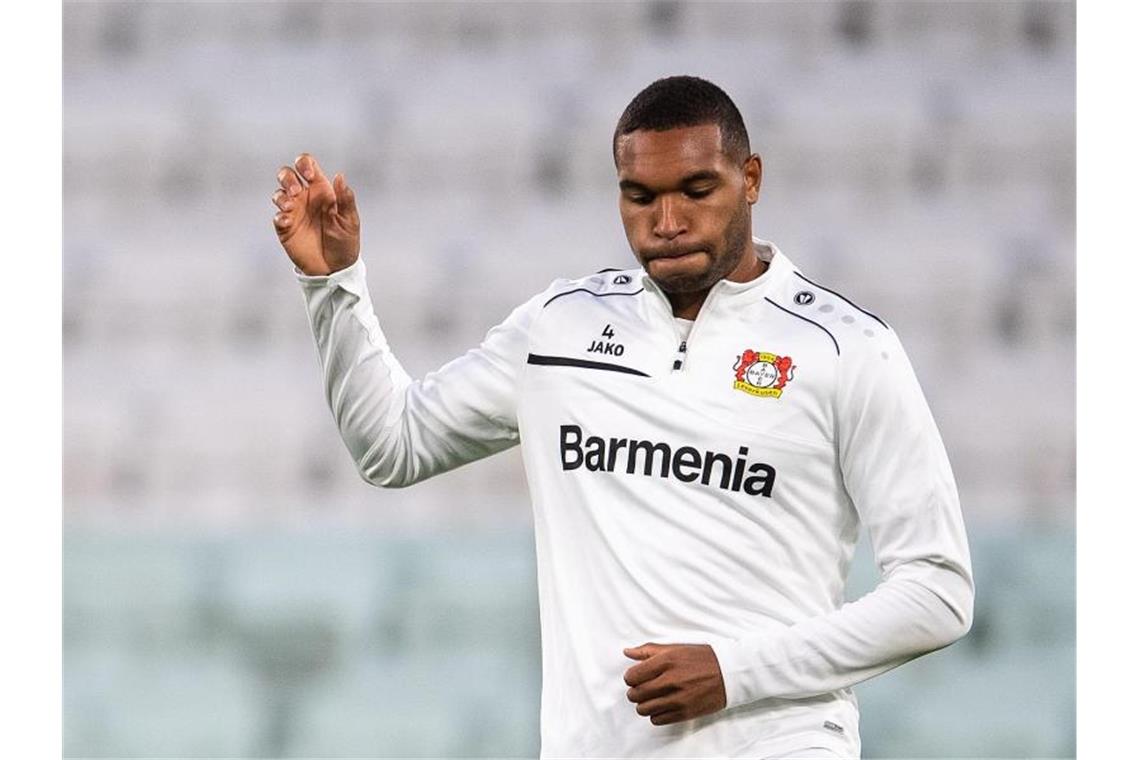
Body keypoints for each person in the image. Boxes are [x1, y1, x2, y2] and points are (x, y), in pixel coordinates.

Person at [270, 75, 973, 759]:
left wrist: (735, 671)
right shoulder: (559, 328)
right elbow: (394, 444)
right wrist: (333, 285)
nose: (666, 223)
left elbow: (938, 591)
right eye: (640, 198)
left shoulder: (845, 347)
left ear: (750, 179)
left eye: (697, 191)